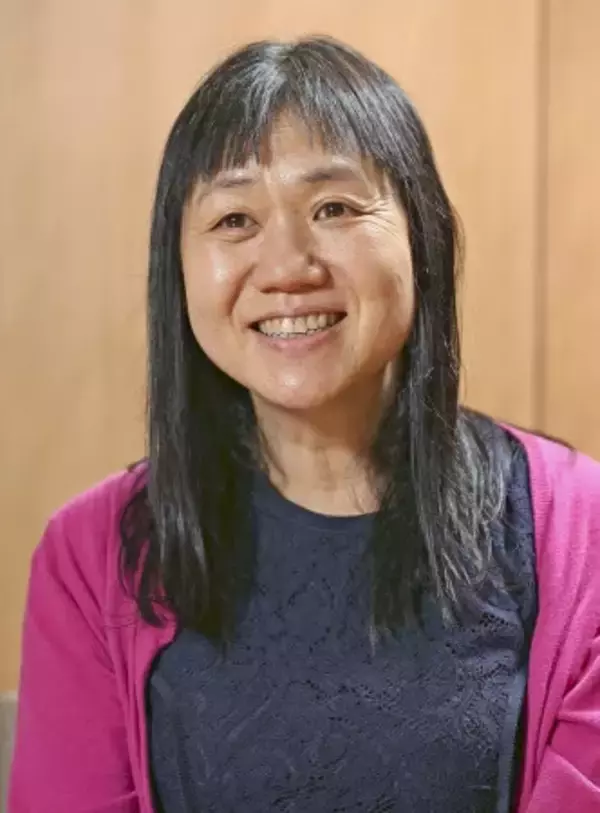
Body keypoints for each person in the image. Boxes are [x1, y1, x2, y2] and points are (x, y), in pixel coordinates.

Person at [9, 36, 600, 813]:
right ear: (176, 269)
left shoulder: (582, 532)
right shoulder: (91, 558)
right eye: (234, 219)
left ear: (421, 236)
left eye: (334, 208)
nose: (287, 265)